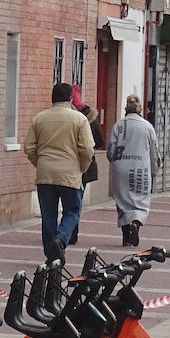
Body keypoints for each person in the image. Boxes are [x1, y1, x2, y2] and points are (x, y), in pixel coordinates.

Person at [23, 82, 95, 263]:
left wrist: (40, 163)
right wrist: (82, 167)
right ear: (70, 99)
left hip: (45, 173)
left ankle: (51, 256)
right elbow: (87, 149)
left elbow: (29, 148)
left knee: (48, 215)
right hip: (70, 173)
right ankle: (61, 239)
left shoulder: (39, 119)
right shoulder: (79, 119)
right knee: (72, 210)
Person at [107, 94, 160, 247]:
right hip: (140, 169)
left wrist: (115, 163)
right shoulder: (147, 126)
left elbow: (111, 149)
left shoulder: (119, 125)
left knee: (122, 201)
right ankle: (136, 223)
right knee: (141, 200)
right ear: (141, 108)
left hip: (121, 168)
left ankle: (125, 235)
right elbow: (154, 152)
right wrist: (154, 169)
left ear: (126, 108)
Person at [71, 103, 105, 245]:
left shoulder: (69, 118)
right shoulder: (91, 120)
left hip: (68, 164)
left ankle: (64, 232)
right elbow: (99, 142)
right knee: (76, 201)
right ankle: (72, 232)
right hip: (84, 165)